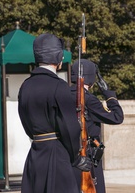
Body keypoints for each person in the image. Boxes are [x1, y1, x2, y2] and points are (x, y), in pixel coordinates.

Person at [18, 33, 91, 193]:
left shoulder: (26, 86)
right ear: (59, 58)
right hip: (58, 155)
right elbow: (70, 127)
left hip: (36, 152)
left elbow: (25, 123)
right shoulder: (59, 86)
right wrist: (76, 157)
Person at [70, 59, 124, 193]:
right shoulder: (89, 99)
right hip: (88, 154)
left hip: (69, 154)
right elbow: (117, 117)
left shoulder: (63, 94)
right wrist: (109, 95)